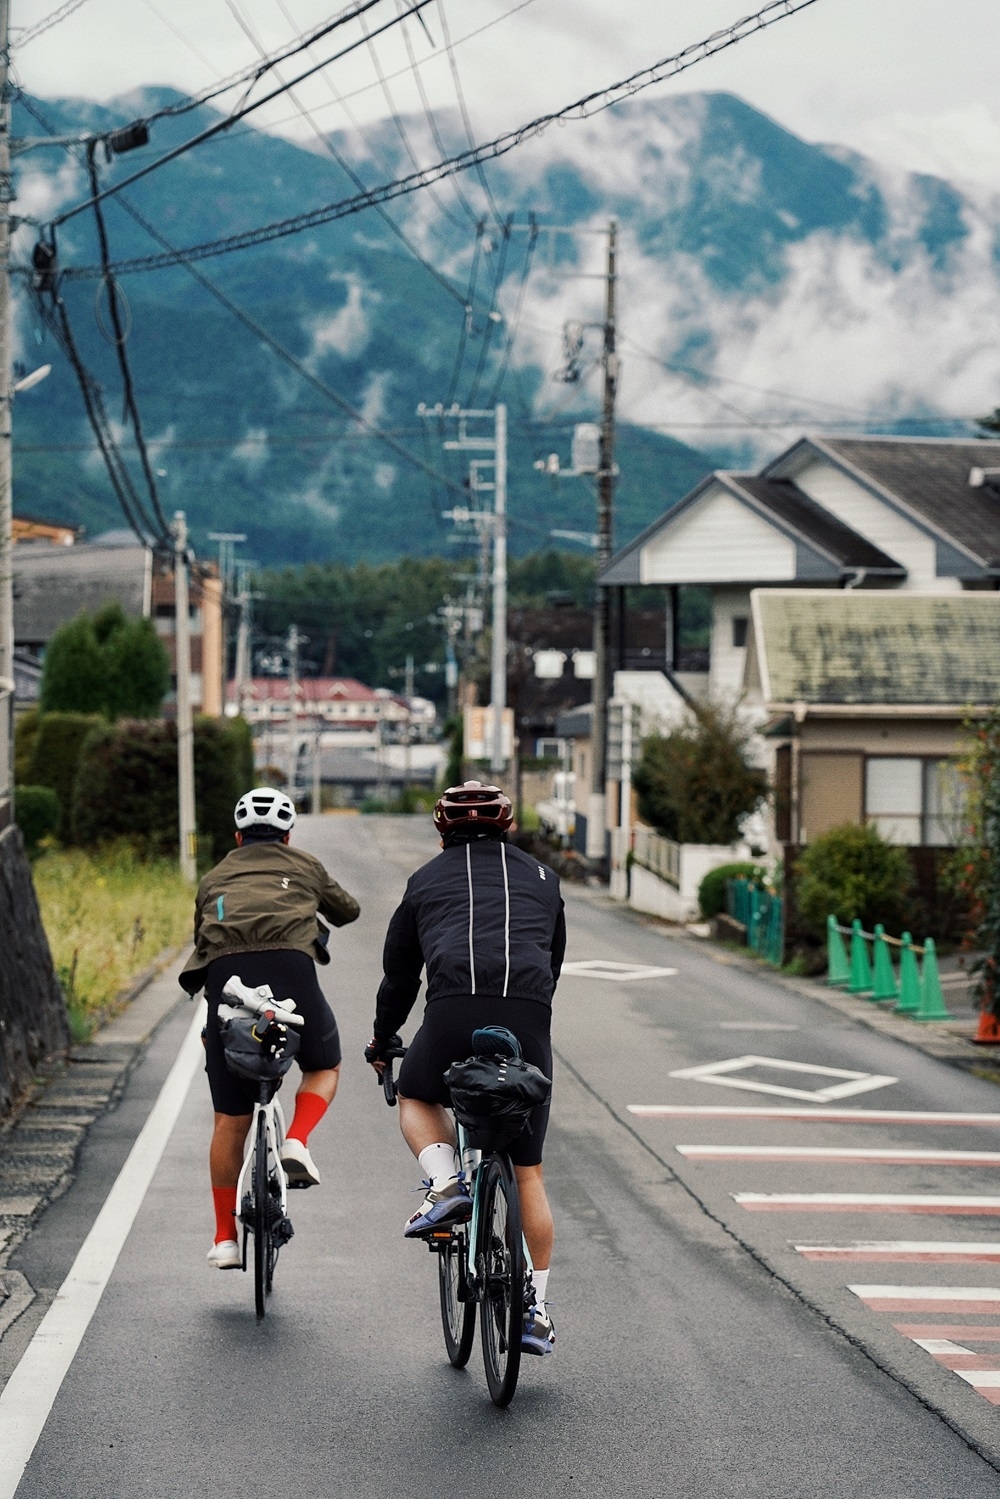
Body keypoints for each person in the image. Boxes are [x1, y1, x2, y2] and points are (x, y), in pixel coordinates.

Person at [366, 781, 565, 1355]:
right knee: (528, 1174)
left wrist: (384, 1039)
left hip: (451, 1011)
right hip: (527, 1017)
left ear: (441, 830)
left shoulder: (424, 881)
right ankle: (536, 1311)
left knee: (416, 1094)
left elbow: (400, 976)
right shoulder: (544, 880)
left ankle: (447, 1181)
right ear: (508, 825)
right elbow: (552, 961)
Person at [180, 787, 360, 1269]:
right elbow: (350, 911)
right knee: (324, 1064)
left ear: (237, 836)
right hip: (290, 970)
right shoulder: (304, 864)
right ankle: (297, 1139)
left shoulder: (214, 875)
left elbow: (203, 937)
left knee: (228, 1120)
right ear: (287, 835)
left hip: (226, 980)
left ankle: (224, 1239)